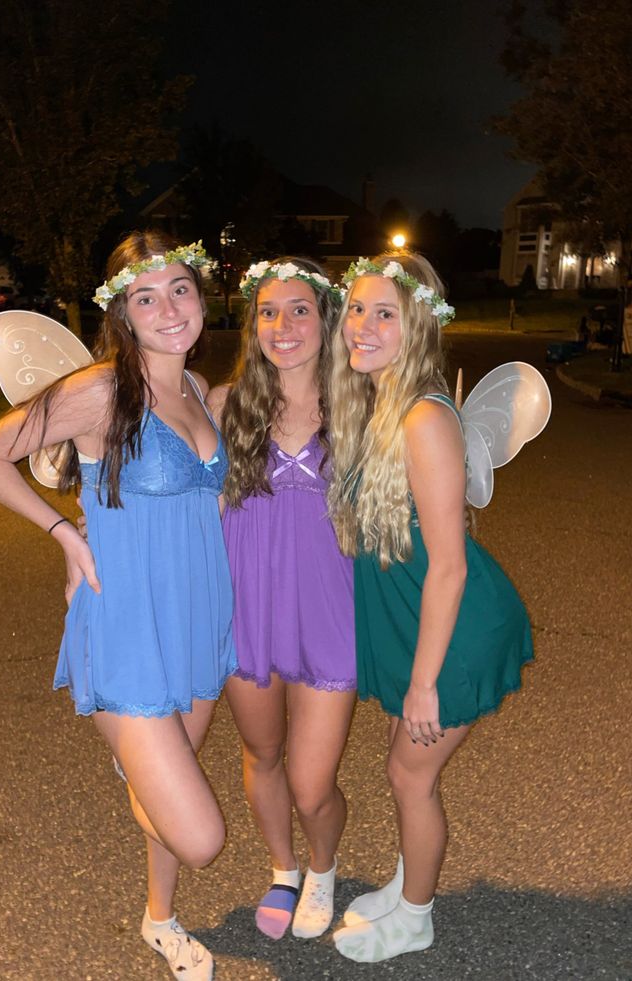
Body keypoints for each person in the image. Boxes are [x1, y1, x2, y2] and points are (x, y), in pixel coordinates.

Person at [0, 230, 235, 981]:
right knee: (201, 835)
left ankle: (160, 920)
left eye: (180, 288)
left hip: (199, 622)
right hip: (124, 627)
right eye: (146, 296)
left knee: (175, 804)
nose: (168, 307)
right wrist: (63, 535)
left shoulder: (200, 392)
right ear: (123, 312)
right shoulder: (103, 389)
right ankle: (141, 767)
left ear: (201, 296)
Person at [327, 253, 533, 964]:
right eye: (356, 308)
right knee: (402, 769)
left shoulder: (422, 418)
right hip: (413, 620)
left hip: (452, 628)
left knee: (410, 775)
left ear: (417, 326)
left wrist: (423, 682)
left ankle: (415, 917)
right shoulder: (379, 401)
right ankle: (405, 882)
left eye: (385, 313)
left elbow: (447, 563)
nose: (363, 325)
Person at [209, 258, 357, 940]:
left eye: (299, 309)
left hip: (330, 616)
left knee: (311, 781)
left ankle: (323, 868)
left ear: (327, 319)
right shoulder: (224, 403)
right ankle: (284, 868)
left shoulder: (363, 405)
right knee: (261, 753)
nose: (283, 325)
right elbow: (175, 498)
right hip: (250, 613)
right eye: (269, 311)